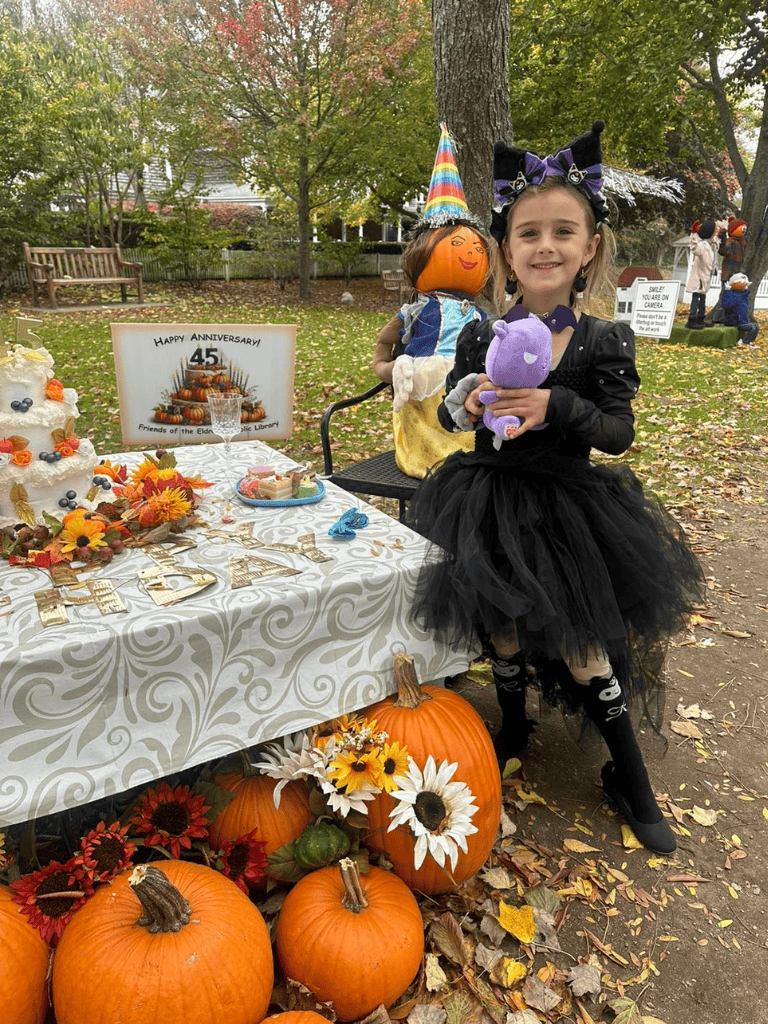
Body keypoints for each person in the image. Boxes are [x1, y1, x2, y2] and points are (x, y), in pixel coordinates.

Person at [406, 121, 704, 855]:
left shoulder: (603, 339)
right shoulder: (482, 333)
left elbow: (617, 431)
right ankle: (513, 725)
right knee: (500, 630)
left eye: (562, 232)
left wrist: (557, 405)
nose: (545, 246)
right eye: (528, 232)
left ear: (589, 246)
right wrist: (469, 403)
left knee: (584, 645)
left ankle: (629, 776)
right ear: (505, 250)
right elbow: (456, 412)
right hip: (490, 499)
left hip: (568, 509)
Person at [372, 124, 491, 479]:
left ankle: (464, 455)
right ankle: (432, 456)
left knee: (466, 422)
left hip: (464, 383)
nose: (470, 254)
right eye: (456, 247)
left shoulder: (480, 313)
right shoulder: (416, 309)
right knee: (429, 429)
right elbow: (386, 340)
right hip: (424, 389)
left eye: (476, 248)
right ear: (422, 254)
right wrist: (385, 367)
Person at [685, 219, 717, 329]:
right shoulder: (703, 245)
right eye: (715, 230)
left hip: (706, 278)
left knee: (702, 298)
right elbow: (694, 248)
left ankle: (700, 318)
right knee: (696, 298)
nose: (716, 232)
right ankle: (692, 319)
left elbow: (714, 255)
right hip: (699, 278)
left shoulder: (711, 245)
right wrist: (693, 234)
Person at [721, 273, 759, 345]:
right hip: (734, 321)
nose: (743, 285)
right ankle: (744, 342)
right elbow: (726, 305)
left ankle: (749, 341)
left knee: (756, 326)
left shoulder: (744, 295)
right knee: (752, 328)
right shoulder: (729, 294)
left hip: (742, 320)